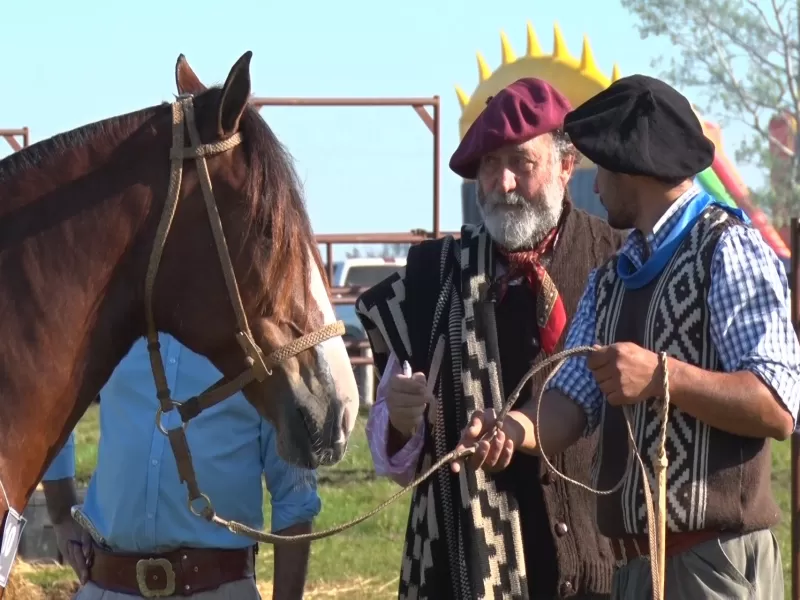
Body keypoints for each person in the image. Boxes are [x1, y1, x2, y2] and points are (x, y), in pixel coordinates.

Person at [456, 74, 800, 600]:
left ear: (632, 166)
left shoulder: (729, 251)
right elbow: (569, 404)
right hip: (635, 571)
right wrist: (509, 428)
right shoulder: (613, 277)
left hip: (716, 564)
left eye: (603, 169)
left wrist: (663, 377)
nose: (594, 186)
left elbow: (778, 406)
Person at [356, 78, 627, 600]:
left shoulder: (616, 262)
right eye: (488, 164)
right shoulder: (431, 278)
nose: (502, 182)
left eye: (521, 163)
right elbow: (394, 454)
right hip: (462, 573)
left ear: (565, 167)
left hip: (603, 570)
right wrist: (402, 419)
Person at [42, 333, 320, 600]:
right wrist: (60, 512)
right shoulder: (117, 315)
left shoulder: (259, 345)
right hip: (109, 584)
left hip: (220, 591)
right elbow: (54, 390)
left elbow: (294, 498)